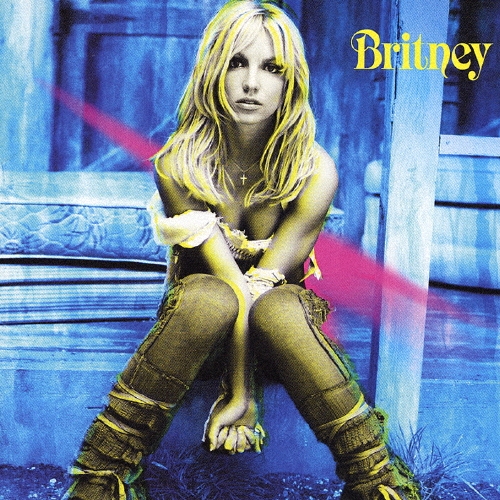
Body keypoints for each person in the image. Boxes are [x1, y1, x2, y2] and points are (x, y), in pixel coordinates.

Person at [62, 1, 421, 499]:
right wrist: (239, 391)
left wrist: (245, 393)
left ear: (290, 81)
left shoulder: (314, 172)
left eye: (272, 68)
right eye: (237, 62)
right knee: (210, 296)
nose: (252, 83)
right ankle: (99, 479)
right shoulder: (178, 165)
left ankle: (376, 483)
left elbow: (259, 290)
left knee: (278, 306)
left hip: (286, 340)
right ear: (213, 68)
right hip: (197, 334)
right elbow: (232, 288)